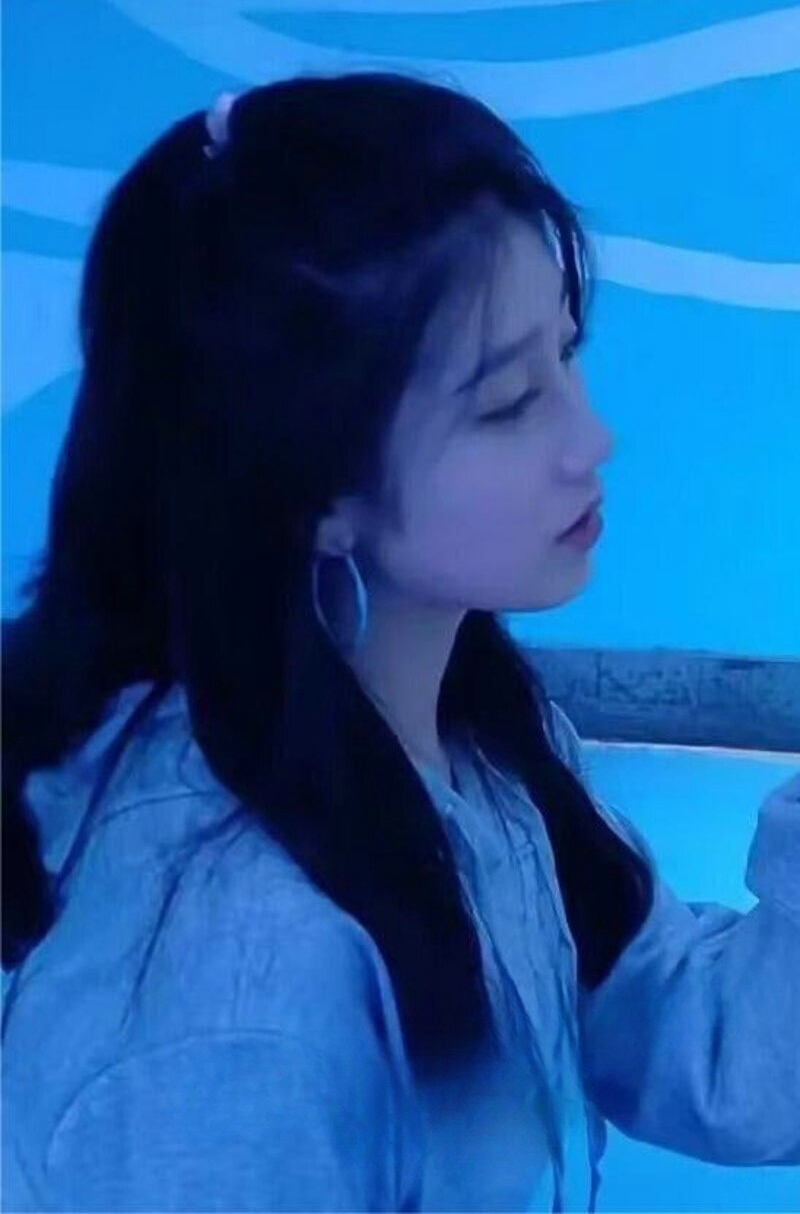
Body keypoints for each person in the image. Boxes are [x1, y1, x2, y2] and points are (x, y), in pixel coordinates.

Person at [2, 72, 797, 1213]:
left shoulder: (478, 738)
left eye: (566, 354)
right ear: (309, 480)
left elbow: (691, 1036)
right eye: (507, 402)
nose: (590, 438)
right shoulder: (230, 994)